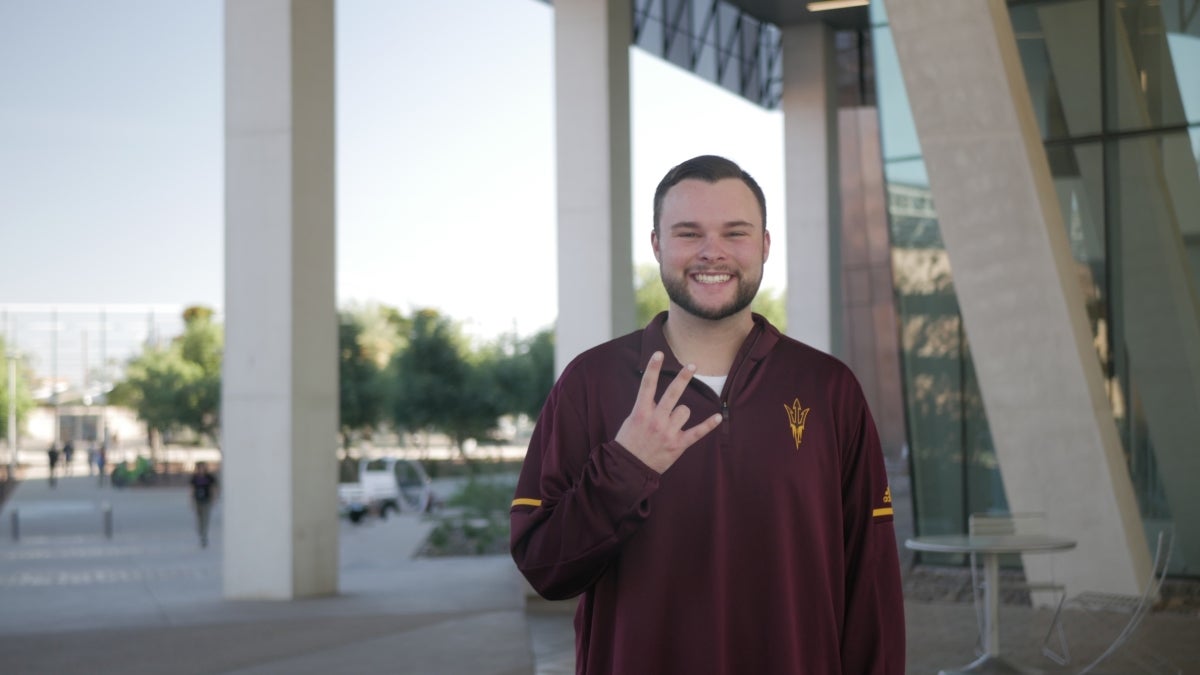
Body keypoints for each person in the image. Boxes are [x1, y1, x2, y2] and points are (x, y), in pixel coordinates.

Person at [510, 155, 905, 674]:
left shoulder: (829, 388)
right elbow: (544, 567)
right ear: (657, 245)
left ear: (764, 245)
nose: (712, 252)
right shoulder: (590, 383)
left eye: (735, 233)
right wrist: (626, 467)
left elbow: (870, 582)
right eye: (688, 233)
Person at [188, 462, 218, 547]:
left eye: (203, 467)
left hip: (206, 500)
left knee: (205, 518)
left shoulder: (209, 477)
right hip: (198, 500)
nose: (201, 469)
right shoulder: (195, 478)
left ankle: (204, 535)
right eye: (200, 468)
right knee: (199, 518)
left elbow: (213, 488)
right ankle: (201, 532)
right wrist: (191, 500)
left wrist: (214, 499)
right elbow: (192, 489)